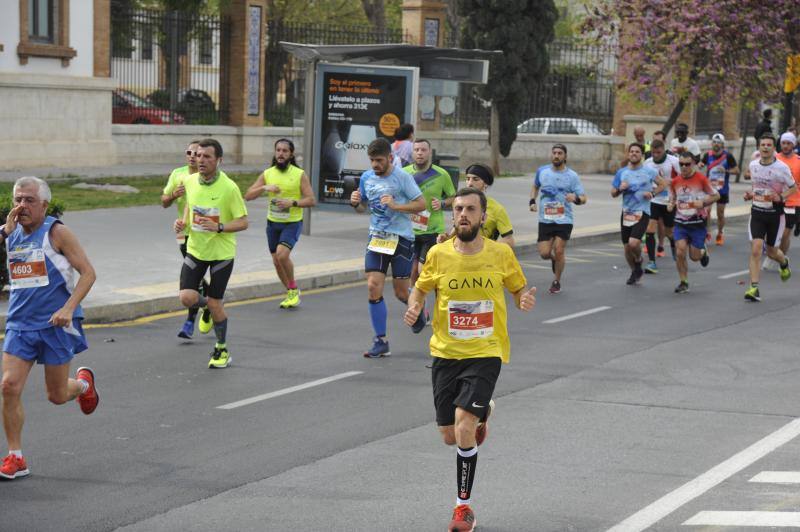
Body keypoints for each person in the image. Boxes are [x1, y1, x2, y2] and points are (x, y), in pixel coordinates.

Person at [404, 187, 536, 532]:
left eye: (470, 209)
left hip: (486, 350)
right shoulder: (437, 253)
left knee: (463, 425)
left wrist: (523, 298)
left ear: (483, 215)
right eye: (458, 208)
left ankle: (463, 508)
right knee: (449, 435)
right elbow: (421, 286)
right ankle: (483, 413)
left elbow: (518, 287)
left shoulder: (500, 254)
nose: (462, 214)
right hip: (446, 352)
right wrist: (415, 303)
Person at [0, 176, 99, 480]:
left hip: (55, 325)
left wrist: (68, 308)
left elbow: (88, 274)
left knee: (56, 395)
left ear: (44, 204)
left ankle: (83, 385)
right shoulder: (10, 232)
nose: (21, 206)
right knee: (8, 386)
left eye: (29, 200)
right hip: (20, 324)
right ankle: (15, 457)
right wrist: (5, 232)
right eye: (17, 199)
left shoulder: (57, 233)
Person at [174, 139, 248, 367]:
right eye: (199, 156)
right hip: (196, 249)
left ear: (218, 161)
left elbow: (244, 221)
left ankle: (222, 349)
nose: (201, 160)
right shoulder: (190, 181)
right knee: (186, 297)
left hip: (221, 254)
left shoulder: (229, 187)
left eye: (207, 157)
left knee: (217, 304)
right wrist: (182, 223)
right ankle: (206, 305)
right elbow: (190, 204)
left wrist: (220, 227)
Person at [350, 138, 425, 358]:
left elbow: (421, 204)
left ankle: (417, 306)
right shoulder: (366, 177)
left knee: (401, 292)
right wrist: (355, 202)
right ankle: (381, 341)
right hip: (377, 238)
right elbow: (363, 207)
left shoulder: (402, 177)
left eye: (379, 160)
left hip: (401, 239)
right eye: (372, 160)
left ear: (390, 158)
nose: (375, 165)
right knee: (373, 286)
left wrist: (396, 206)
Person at [245, 138, 315, 309]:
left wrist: (293, 203)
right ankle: (291, 292)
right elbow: (247, 195)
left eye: (285, 151)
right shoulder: (268, 173)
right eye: (278, 150)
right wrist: (263, 188)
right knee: (277, 261)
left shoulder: (299, 174)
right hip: (273, 223)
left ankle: (292, 289)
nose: (281, 154)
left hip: (292, 223)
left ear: (291, 155)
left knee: (282, 255)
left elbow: (311, 199)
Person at [403, 138, 456, 332]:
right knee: (412, 272)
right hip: (409, 230)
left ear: (429, 152)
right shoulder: (405, 173)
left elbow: (453, 197)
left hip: (432, 230)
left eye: (423, 150)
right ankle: (419, 307)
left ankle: (430, 307)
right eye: (416, 150)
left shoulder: (441, 174)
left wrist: (441, 203)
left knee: (425, 270)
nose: (419, 153)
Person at [162, 141, 210, 339]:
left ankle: (190, 321)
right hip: (184, 234)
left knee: (194, 277)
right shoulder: (178, 174)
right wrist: (174, 194)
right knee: (195, 276)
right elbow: (164, 202)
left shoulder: (206, 177)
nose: (192, 156)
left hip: (203, 234)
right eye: (189, 152)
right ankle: (210, 303)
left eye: (196, 153)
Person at [743, 133, 796, 301]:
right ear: (759, 147)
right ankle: (754, 288)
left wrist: (781, 197)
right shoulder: (753, 165)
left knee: (772, 251)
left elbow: (793, 188)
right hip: (757, 212)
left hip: (775, 215)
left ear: (774, 149)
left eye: (769, 145)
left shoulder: (781, 168)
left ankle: (784, 262)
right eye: (762, 144)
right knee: (756, 248)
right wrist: (750, 194)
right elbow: (758, 187)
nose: (765, 147)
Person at [530, 143, 587, 294]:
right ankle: (555, 259)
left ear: (565, 156)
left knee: (559, 250)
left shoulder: (572, 176)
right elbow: (535, 186)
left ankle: (557, 281)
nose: (556, 155)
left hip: (564, 219)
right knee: (544, 254)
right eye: (554, 153)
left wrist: (575, 198)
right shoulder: (542, 171)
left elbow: (583, 198)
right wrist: (532, 201)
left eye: (560, 153)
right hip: (545, 219)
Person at [611, 143, 665, 285]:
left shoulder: (649, 171)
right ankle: (635, 271)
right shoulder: (622, 172)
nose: (634, 154)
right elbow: (613, 193)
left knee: (633, 243)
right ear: (628, 154)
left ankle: (639, 259)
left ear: (641, 155)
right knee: (627, 248)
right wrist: (619, 189)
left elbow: (663, 184)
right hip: (627, 213)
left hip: (642, 212)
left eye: (637, 152)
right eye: (632, 151)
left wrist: (652, 194)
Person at [669, 152, 719, 293]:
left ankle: (703, 252)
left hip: (697, 223)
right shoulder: (675, 181)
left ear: (693, 164)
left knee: (694, 257)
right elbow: (672, 198)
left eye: (687, 164)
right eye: (681, 164)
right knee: (680, 252)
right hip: (680, 222)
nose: (684, 167)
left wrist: (702, 202)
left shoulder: (701, 179)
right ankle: (683, 282)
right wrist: (670, 204)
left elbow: (716, 195)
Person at [643, 139, 680, 272]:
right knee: (650, 229)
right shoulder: (647, 163)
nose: (656, 155)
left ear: (663, 150)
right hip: (653, 201)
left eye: (658, 152)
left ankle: (674, 246)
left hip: (669, 200)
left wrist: (676, 197)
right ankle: (652, 262)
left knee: (669, 231)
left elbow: (683, 178)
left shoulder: (673, 161)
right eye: (653, 152)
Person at [700, 133, 739, 246]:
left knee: (720, 214)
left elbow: (737, 170)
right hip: (709, 189)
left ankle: (720, 233)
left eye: (718, 142)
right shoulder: (707, 155)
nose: (716, 144)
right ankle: (706, 233)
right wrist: (701, 164)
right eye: (714, 142)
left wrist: (726, 171)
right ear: (712, 143)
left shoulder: (728, 156)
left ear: (722, 144)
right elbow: (702, 163)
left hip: (722, 189)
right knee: (706, 212)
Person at [776, 132, 800, 249]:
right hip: (775, 200)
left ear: (793, 145)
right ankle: (775, 253)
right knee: (773, 231)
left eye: (788, 143)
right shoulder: (774, 158)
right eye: (783, 143)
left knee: (785, 234)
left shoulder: (799, 161)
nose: (785, 146)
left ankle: (782, 260)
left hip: (792, 202)